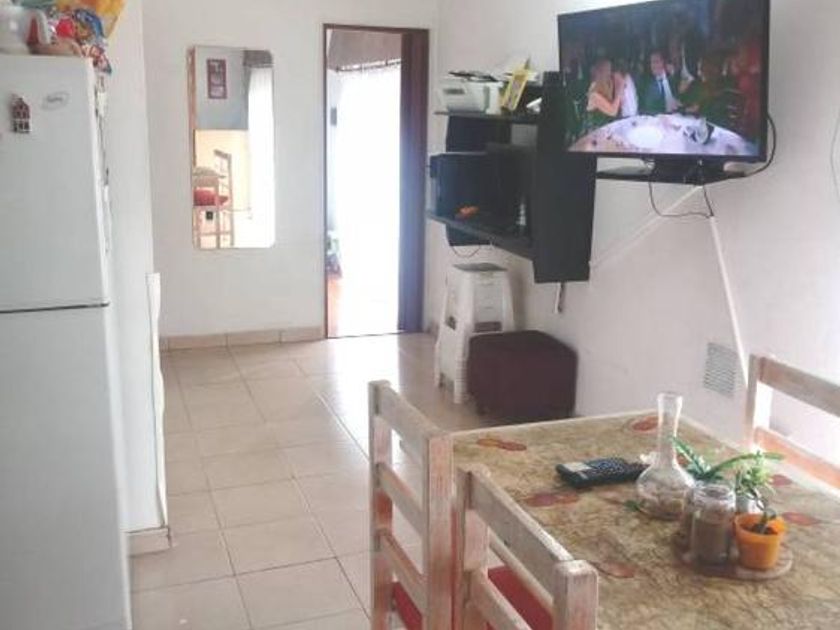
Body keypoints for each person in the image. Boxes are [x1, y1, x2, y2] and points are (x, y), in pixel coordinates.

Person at [585, 58, 625, 129]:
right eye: (607, 71)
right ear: (600, 73)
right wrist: (620, 87)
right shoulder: (594, 93)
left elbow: (618, 103)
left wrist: (618, 84)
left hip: (605, 127)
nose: (609, 73)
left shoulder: (607, 84)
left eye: (610, 70)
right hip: (594, 130)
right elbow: (613, 112)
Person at [640, 50, 681, 115]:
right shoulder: (646, 83)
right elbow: (647, 107)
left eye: (656, 62)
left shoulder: (674, 79)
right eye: (651, 62)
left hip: (677, 117)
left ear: (663, 62)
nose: (653, 65)